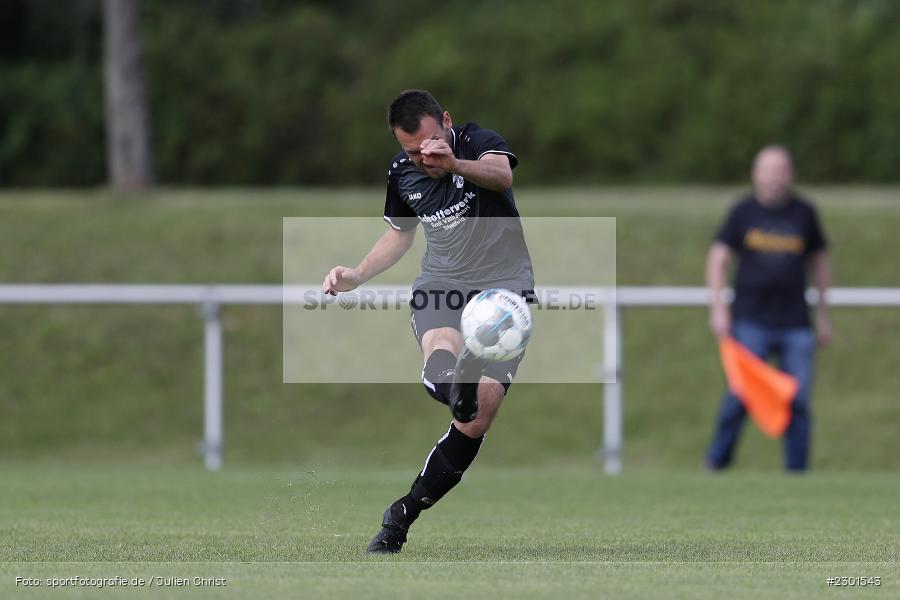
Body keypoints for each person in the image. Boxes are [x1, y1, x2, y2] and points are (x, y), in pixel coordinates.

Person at [322, 90, 534, 553]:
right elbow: (399, 234)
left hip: (503, 292)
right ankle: (457, 379)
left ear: (447, 123)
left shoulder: (477, 142)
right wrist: (356, 275)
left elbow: (502, 175)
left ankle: (402, 513)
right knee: (441, 349)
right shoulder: (402, 172)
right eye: (413, 151)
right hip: (442, 284)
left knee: (475, 421)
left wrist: (454, 163)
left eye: (431, 144)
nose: (425, 158)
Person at [705, 145, 831, 472]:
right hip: (750, 320)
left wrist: (824, 315)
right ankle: (716, 463)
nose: (775, 177)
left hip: (796, 322)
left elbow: (820, 262)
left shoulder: (804, 213)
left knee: (798, 399)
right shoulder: (742, 212)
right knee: (740, 394)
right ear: (755, 174)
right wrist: (718, 309)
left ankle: (797, 473)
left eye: (781, 170)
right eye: (768, 170)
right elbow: (717, 259)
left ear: (791, 174)